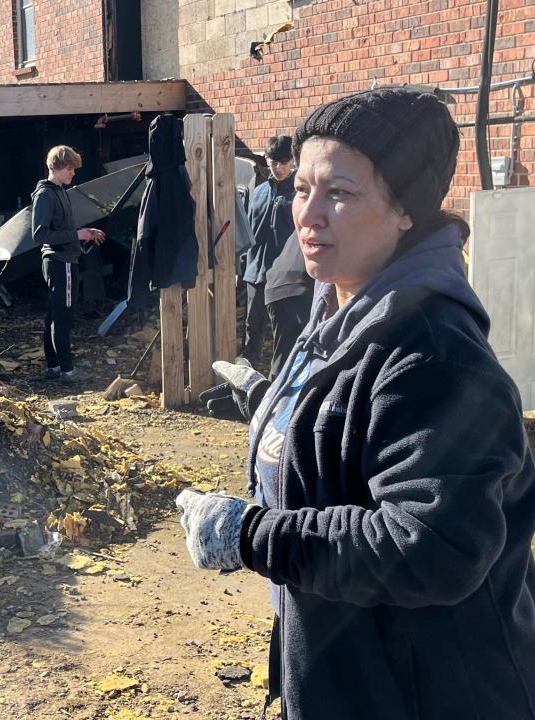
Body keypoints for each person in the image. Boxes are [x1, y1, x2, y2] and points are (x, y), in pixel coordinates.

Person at [176, 88, 535, 719]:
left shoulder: (433, 353)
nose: (308, 215)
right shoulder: (343, 306)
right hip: (353, 677)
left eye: (339, 193)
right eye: (302, 188)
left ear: (405, 211)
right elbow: (358, 428)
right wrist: (269, 400)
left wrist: (250, 536)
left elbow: (432, 545)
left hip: (426, 694)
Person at [31, 145, 104, 383]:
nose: (74, 173)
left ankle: (54, 367)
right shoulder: (45, 195)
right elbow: (40, 235)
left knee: (55, 315)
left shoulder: (59, 191)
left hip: (62, 259)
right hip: (59, 262)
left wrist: (84, 233)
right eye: (70, 168)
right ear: (58, 167)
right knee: (62, 317)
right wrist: (76, 235)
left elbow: (62, 229)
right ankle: (68, 371)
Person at [240, 135, 296, 367]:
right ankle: (249, 375)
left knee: (283, 331)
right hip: (256, 271)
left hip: (285, 273)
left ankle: (281, 379)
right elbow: (248, 229)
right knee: (252, 326)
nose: (279, 168)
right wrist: (244, 263)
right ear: (266, 160)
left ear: (293, 160)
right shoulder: (259, 191)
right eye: (274, 162)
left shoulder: (300, 192)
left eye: (284, 162)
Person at [263, 230, 313, 379]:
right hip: (301, 285)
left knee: (284, 354)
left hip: (275, 285)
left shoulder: (309, 224)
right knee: (312, 350)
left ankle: (273, 394)